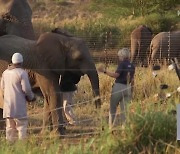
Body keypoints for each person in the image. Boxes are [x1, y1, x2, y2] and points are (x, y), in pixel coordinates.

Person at [0, 53, 35, 142]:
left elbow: (2, 88)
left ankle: (10, 146)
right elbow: (26, 89)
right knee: (21, 126)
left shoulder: (5, 73)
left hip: (7, 106)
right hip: (19, 106)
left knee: (9, 127)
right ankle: (22, 146)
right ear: (21, 62)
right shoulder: (22, 73)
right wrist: (31, 97)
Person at [98, 48, 135, 128]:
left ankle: (111, 127)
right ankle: (125, 128)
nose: (119, 58)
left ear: (122, 56)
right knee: (125, 110)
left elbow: (116, 75)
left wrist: (105, 71)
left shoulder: (122, 64)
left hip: (118, 86)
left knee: (113, 107)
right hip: (127, 88)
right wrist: (131, 91)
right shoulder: (132, 65)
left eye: (119, 56)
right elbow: (132, 80)